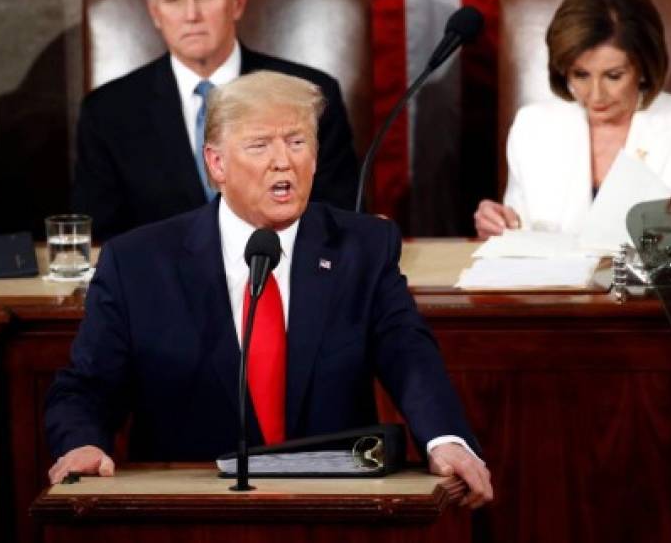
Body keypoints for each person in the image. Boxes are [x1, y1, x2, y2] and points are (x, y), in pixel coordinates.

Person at [46, 71, 493, 508]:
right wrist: (82, 443)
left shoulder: (363, 249)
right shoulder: (139, 263)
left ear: (315, 157)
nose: (284, 161)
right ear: (216, 163)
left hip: (332, 512)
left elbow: (409, 355)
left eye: (297, 142)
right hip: (190, 514)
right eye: (260, 145)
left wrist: (445, 437)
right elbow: (86, 386)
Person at [73, 0, 359, 241]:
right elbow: (102, 238)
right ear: (154, 12)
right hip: (161, 284)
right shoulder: (108, 112)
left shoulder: (310, 94)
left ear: (237, 1)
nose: (191, 15)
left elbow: (338, 219)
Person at [474, 0, 671, 238]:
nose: (595, 95)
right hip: (556, 286)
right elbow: (519, 232)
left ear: (643, 67)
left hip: (653, 286)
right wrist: (498, 223)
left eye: (613, 76)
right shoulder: (532, 126)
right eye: (580, 75)